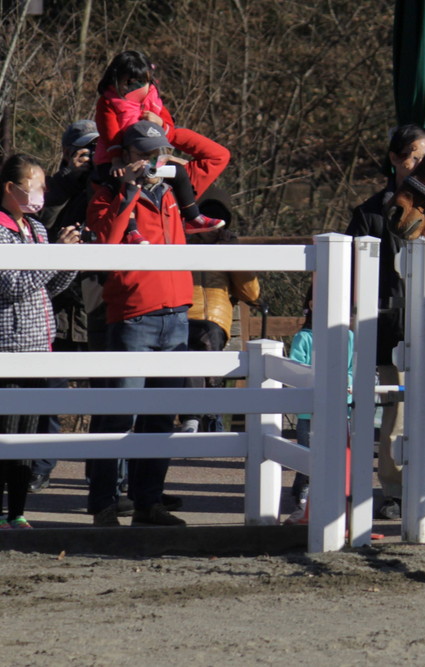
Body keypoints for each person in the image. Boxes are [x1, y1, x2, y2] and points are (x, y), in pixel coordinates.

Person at [86, 120, 230, 527]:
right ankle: (104, 505)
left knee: (161, 416)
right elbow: (108, 246)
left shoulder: (176, 191)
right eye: (145, 152)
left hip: (177, 315)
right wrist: (128, 191)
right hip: (133, 316)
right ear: (125, 155)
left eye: (159, 151)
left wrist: (166, 124)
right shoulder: (105, 193)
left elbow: (218, 155)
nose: (154, 160)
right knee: (120, 414)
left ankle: (148, 502)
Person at [346, 123, 425, 524]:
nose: (421, 165)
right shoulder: (370, 213)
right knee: (397, 416)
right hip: (395, 328)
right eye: (414, 157)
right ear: (395, 160)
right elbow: (353, 275)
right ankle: (396, 490)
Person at [0, 154, 81, 529]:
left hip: (38, 346)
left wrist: (68, 261)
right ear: (11, 188)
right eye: (36, 186)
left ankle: (16, 512)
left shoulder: (35, 228)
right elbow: (12, 286)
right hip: (8, 347)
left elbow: (48, 287)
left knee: (26, 437)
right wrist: (53, 257)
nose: (42, 193)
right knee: (5, 432)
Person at [30, 119, 101, 492]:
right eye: (83, 150)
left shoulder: (103, 185)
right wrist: (68, 180)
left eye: (96, 150)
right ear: (66, 152)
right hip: (56, 307)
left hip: (92, 305)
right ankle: (40, 466)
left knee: (107, 395)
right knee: (49, 393)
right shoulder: (49, 188)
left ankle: (104, 479)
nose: (89, 157)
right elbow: (40, 227)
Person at [94, 49, 223, 244]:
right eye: (129, 82)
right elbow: (110, 134)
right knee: (122, 186)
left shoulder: (153, 101)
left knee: (179, 172)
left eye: (141, 82)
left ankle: (192, 216)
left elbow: (170, 129)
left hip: (152, 156)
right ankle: (130, 229)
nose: (135, 88)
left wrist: (161, 125)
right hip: (115, 158)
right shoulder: (108, 103)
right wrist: (117, 159)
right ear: (116, 80)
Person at [178, 190, 261, 434]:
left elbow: (251, 293)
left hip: (214, 319)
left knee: (203, 340)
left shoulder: (229, 250)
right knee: (192, 347)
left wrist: (233, 253)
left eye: (219, 222)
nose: (212, 228)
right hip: (182, 314)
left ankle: (193, 417)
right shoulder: (181, 244)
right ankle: (205, 416)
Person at [284, 295, 354, 523]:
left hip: (341, 407)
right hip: (309, 411)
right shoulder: (303, 337)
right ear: (311, 305)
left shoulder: (349, 337)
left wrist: (349, 382)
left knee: (338, 454)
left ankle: (333, 502)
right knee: (308, 455)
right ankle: (302, 500)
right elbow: (296, 369)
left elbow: (352, 368)